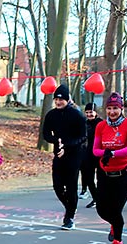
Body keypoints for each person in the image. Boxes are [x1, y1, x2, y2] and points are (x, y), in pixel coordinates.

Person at [93, 92, 127, 244]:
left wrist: (111, 153)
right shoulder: (101, 126)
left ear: (122, 109)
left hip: (125, 173)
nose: (112, 112)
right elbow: (96, 150)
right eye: (109, 108)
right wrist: (105, 153)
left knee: (116, 209)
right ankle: (114, 224)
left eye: (115, 108)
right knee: (102, 209)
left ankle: (118, 241)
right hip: (105, 173)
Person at [42, 84, 87, 229]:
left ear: (67, 100)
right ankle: (70, 207)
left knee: (71, 185)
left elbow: (83, 136)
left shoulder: (76, 115)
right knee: (57, 186)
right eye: (56, 99)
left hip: (74, 154)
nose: (58, 102)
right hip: (59, 153)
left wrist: (67, 145)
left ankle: (69, 217)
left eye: (61, 99)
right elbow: (46, 134)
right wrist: (56, 141)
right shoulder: (51, 115)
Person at [80, 103, 102, 208]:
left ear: (95, 112)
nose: (89, 114)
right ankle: (96, 198)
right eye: (87, 112)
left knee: (101, 179)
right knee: (88, 178)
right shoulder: (84, 123)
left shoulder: (101, 123)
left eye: (91, 112)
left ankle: (103, 199)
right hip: (87, 154)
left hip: (100, 154)